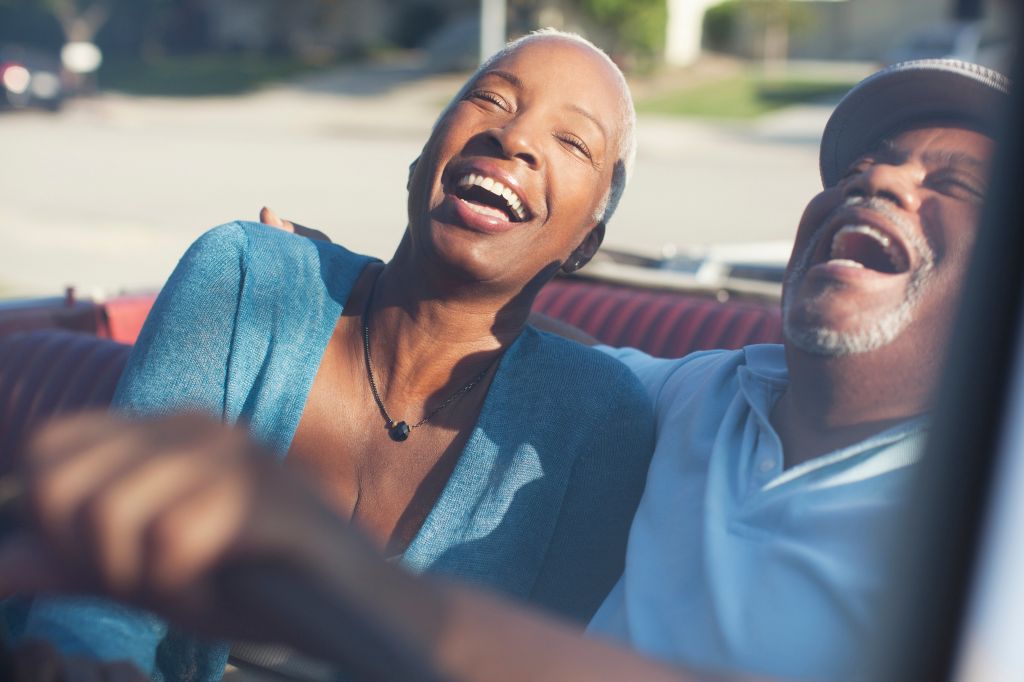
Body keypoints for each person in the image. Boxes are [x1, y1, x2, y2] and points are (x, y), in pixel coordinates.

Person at [0, 59, 1010, 681]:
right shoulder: (695, 396)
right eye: (853, 170)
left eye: (953, 183)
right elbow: (483, 338)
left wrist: (350, 585)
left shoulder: (990, 531)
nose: (876, 180)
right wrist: (315, 278)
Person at [0, 30, 657, 681]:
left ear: (585, 243)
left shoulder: (600, 420)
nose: (514, 139)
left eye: (572, 141)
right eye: (492, 99)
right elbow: (99, 593)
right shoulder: (247, 277)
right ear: (422, 157)